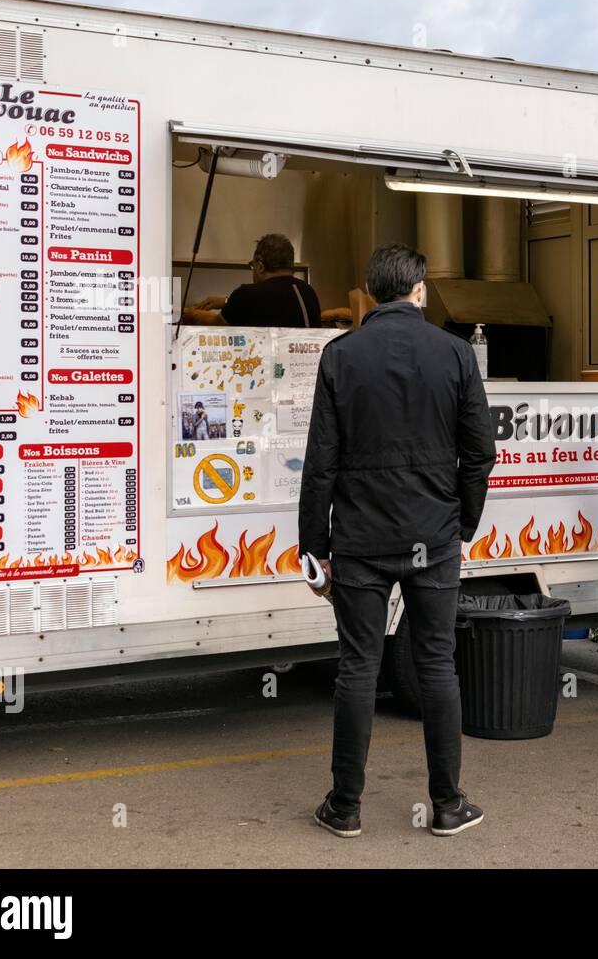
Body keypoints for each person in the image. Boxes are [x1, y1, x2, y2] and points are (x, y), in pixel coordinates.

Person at [299, 243, 496, 838]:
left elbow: (320, 465)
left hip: (358, 538)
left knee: (358, 667)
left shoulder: (340, 356)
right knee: (437, 665)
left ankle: (346, 806)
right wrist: (462, 522)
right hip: (433, 538)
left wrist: (315, 549)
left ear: (370, 293)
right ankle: (448, 805)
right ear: (419, 291)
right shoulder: (457, 354)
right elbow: (480, 451)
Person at [182, 233, 322, 328]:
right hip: (305, 370)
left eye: (252, 266)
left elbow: (216, 325)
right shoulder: (307, 292)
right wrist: (226, 302)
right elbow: (274, 303)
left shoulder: (246, 294)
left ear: (260, 266)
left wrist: (191, 313)